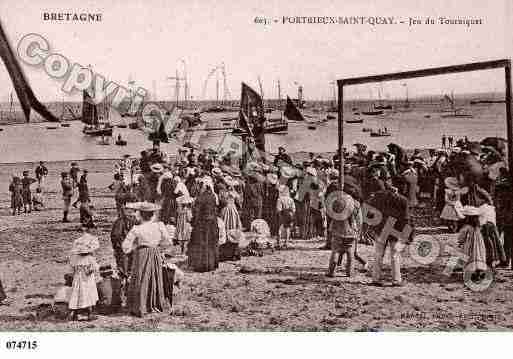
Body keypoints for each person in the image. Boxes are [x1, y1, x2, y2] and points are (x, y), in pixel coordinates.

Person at [122, 202, 172, 317]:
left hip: (142, 254)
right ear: (153, 214)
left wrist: (134, 247)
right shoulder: (159, 226)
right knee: (154, 276)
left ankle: (141, 305)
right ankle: (154, 303)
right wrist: (159, 246)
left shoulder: (137, 229)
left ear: (139, 214)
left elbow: (125, 247)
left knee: (141, 277)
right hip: (155, 252)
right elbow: (168, 242)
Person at [368, 174, 411, 287]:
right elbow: (406, 220)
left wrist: (372, 226)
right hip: (395, 231)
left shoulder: (378, 196)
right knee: (395, 255)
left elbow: (369, 212)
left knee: (378, 254)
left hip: (380, 228)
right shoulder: (403, 200)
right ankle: (396, 280)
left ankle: (375, 278)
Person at [188, 177, 220, 272]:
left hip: (202, 223)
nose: (199, 187)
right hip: (212, 222)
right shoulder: (213, 196)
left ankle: (202, 265)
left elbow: (197, 212)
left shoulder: (201, 198)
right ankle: (212, 264)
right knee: (211, 242)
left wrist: (193, 221)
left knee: (202, 243)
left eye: (200, 185)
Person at [326, 191, 362, 278]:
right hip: (351, 231)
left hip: (337, 230)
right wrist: (359, 232)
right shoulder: (356, 204)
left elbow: (330, 214)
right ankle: (349, 272)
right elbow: (359, 220)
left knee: (335, 251)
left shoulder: (337, 202)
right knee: (350, 253)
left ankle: (332, 271)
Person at [68, 233, 100, 321]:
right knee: (89, 294)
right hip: (87, 279)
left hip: (77, 278)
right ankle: (90, 313)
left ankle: (74, 312)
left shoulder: (75, 258)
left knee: (76, 294)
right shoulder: (89, 258)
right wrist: (91, 269)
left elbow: (71, 270)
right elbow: (96, 268)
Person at [111, 195, 138, 278]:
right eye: (127, 208)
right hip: (123, 251)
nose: (130, 211)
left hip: (133, 250)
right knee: (124, 270)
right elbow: (115, 237)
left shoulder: (136, 221)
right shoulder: (119, 222)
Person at [276, 184, 296, 248]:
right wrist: (292, 215)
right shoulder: (291, 199)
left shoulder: (280, 199)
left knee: (279, 228)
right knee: (288, 228)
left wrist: (279, 215)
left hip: (282, 213)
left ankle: (279, 242)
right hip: (289, 214)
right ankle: (286, 242)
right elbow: (294, 209)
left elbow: (278, 209)